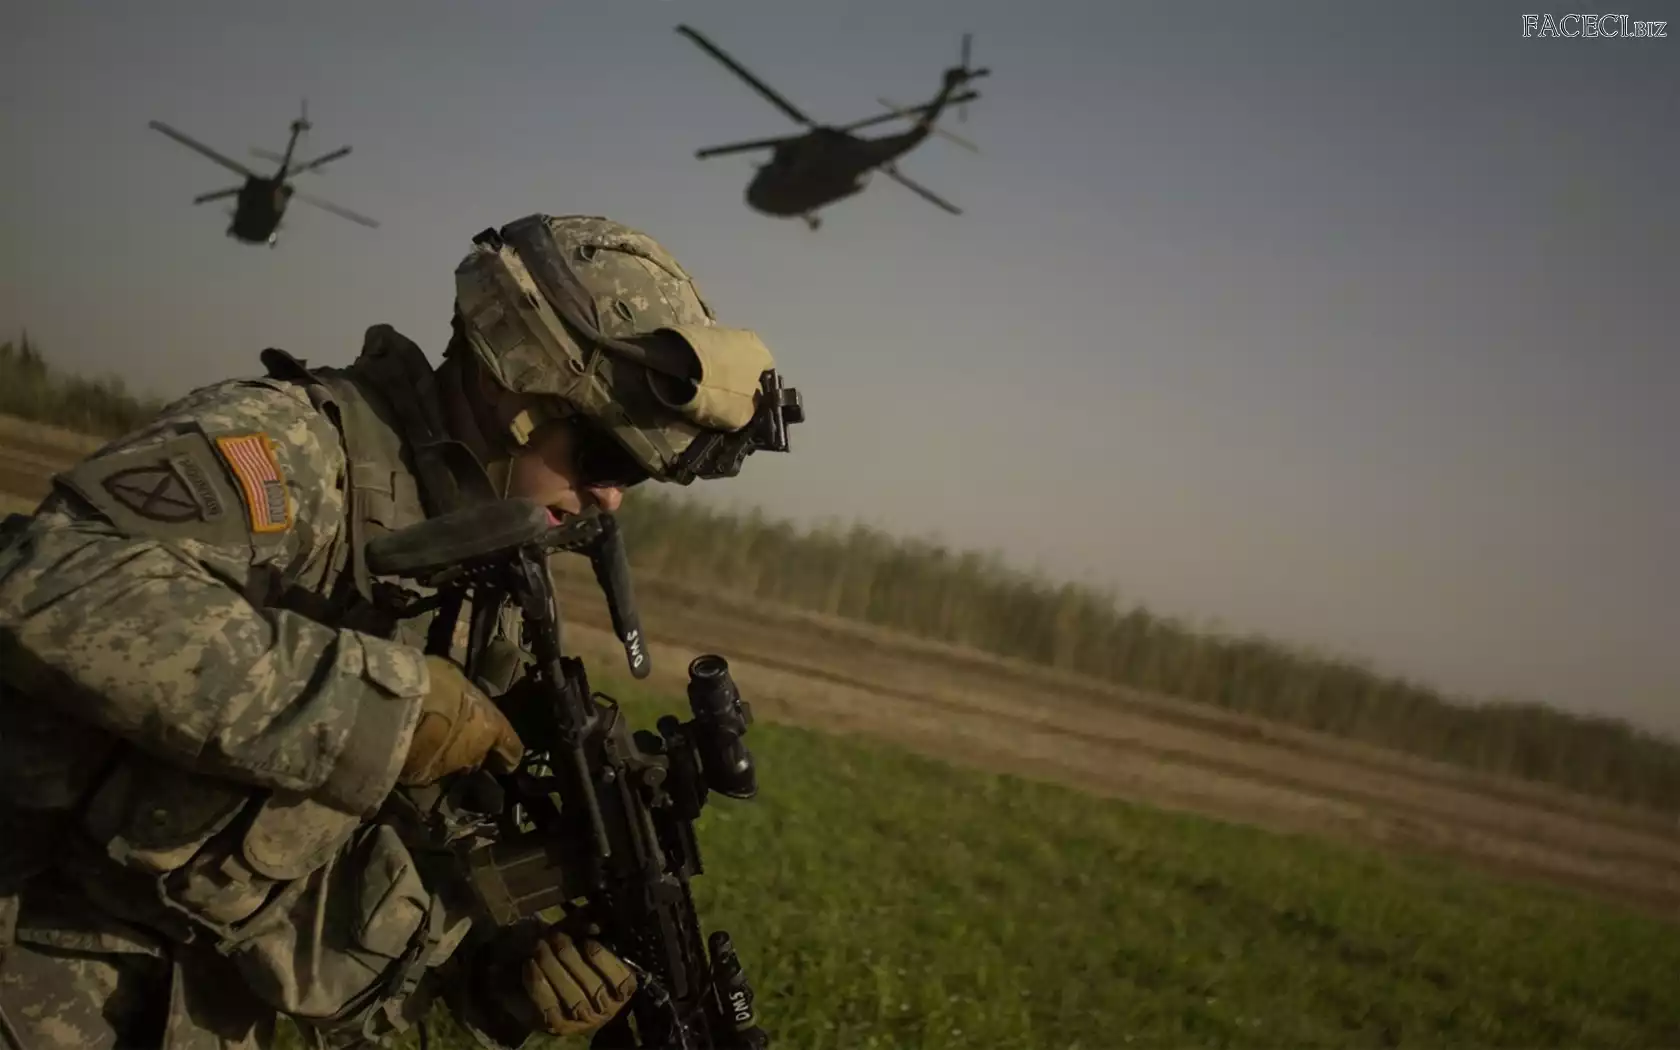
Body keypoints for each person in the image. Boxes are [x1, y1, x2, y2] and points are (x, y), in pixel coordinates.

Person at [0, 214, 802, 1049]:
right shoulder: (298, 449)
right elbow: (52, 584)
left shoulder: (488, 583)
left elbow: (391, 845)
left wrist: (501, 971)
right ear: (517, 390)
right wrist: (383, 707)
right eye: (607, 457)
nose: (610, 498)